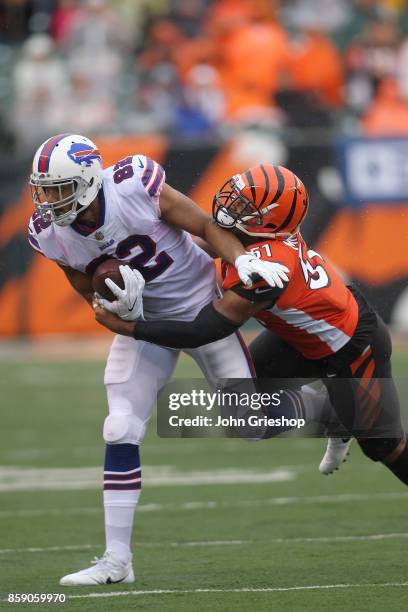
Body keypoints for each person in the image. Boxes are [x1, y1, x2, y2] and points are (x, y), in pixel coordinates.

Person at [27, 133, 291, 586]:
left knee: (250, 426)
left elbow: (206, 226)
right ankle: (116, 561)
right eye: (44, 190)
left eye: (60, 190)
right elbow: (86, 288)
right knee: (120, 426)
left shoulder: (133, 185)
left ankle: (330, 409)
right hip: (146, 324)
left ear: (90, 179)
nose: (50, 202)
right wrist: (114, 308)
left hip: (201, 310)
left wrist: (241, 262)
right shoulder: (50, 233)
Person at [95, 163, 406, 486]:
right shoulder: (251, 234)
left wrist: (131, 328)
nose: (231, 206)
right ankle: (334, 415)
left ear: (270, 219)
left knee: (384, 446)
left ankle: (344, 416)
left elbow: (205, 329)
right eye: (237, 195)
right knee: (243, 405)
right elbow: (185, 252)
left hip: (352, 347)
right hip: (300, 337)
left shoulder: (268, 269)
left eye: (245, 205)